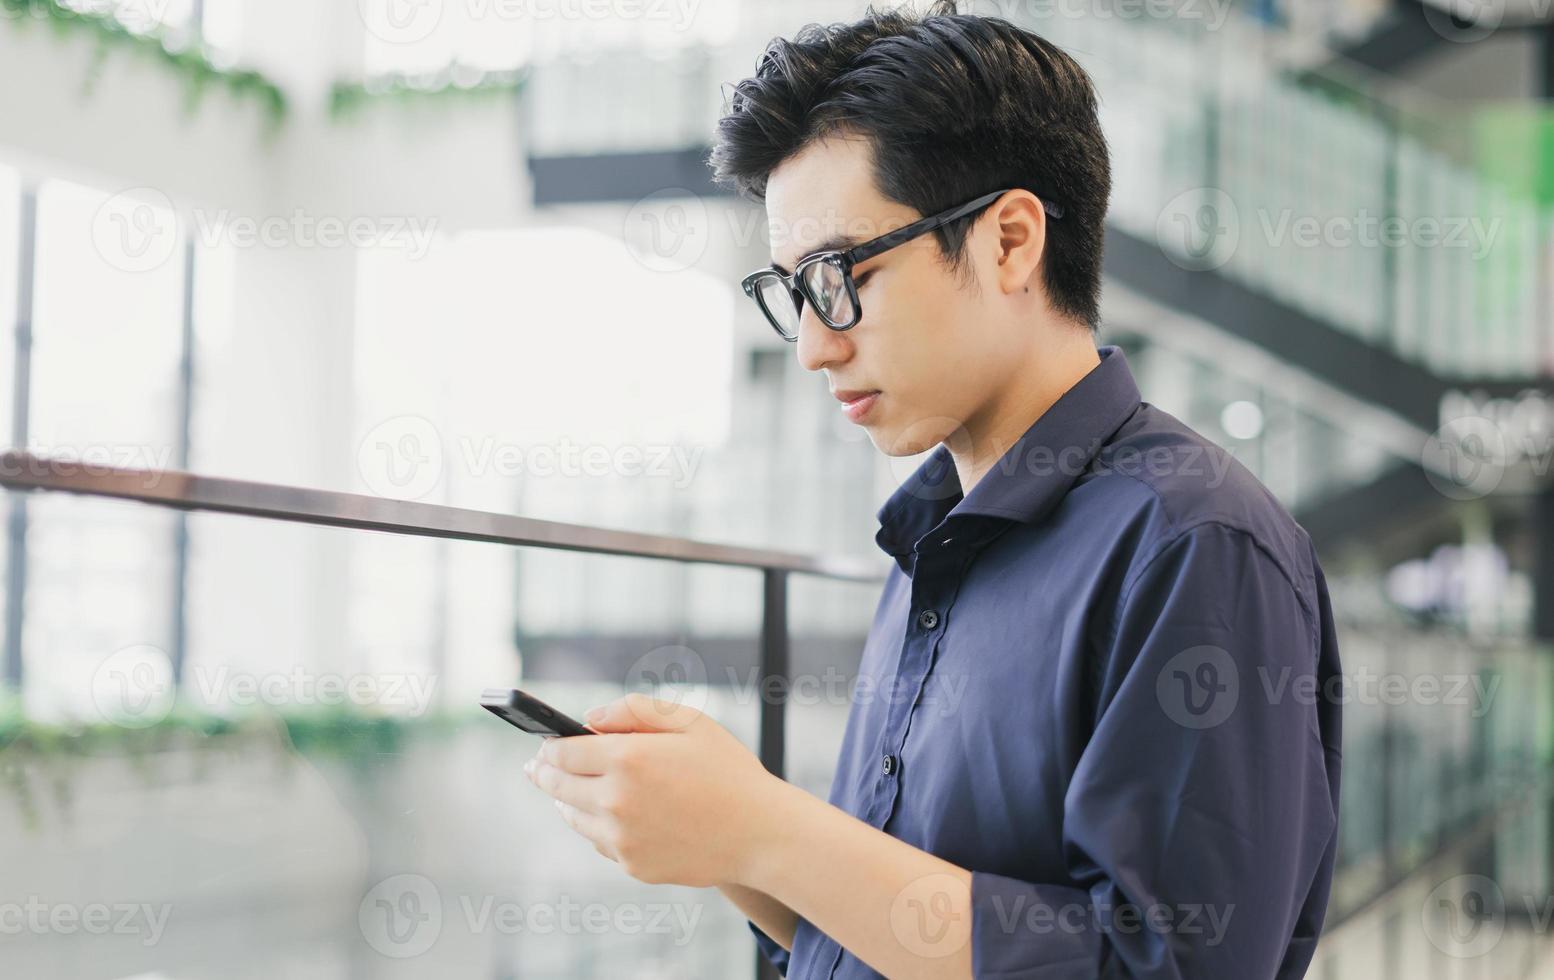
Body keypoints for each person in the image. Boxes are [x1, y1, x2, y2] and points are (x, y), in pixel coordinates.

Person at [524, 4, 1342, 977]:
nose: (817, 345)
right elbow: (903, 934)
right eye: (792, 292)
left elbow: (1160, 966)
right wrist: (732, 834)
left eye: (838, 276)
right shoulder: (934, 537)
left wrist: (768, 827)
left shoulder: (1193, 541)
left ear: (1008, 242)